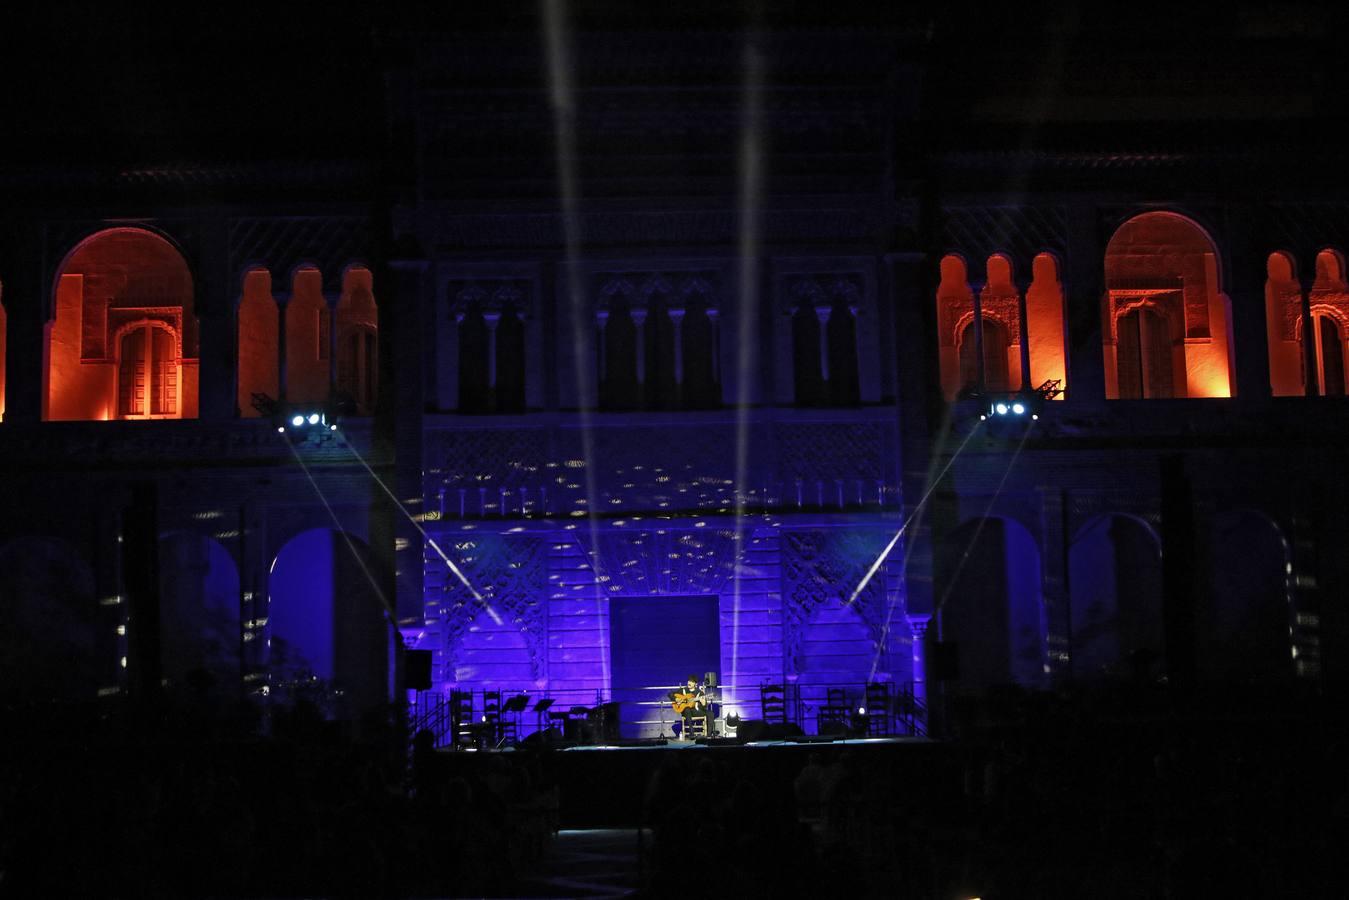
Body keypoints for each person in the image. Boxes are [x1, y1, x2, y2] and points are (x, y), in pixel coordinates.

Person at [670, 674, 707, 739]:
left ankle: (706, 736)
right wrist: (676, 699)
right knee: (687, 709)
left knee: (709, 713)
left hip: (695, 711)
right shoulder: (683, 690)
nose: (689, 683)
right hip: (685, 711)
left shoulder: (699, 692)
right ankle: (691, 731)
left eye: (691, 682)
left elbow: (704, 706)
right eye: (688, 681)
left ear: (695, 684)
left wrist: (703, 703)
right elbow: (670, 694)